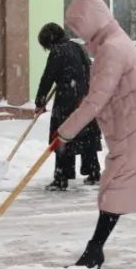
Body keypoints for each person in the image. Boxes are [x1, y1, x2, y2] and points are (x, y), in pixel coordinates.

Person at [54, 0, 136, 269]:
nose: (77, 35)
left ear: (89, 22)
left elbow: (96, 100)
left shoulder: (112, 48)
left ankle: (93, 252)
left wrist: (64, 133)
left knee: (116, 187)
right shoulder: (113, 43)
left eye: (78, 28)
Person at [35, 22, 102, 191]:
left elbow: (47, 78)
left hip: (67, 102)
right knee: (87, 137)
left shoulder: (57, 52)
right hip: (85, 100)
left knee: (63, 138)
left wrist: (40, 102)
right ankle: (94, 172)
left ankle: (61, 177)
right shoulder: (79, 48)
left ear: (50, 42)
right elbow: (89, 70)